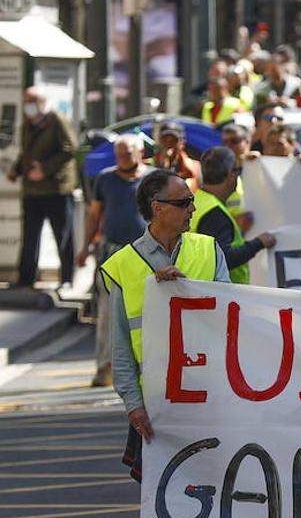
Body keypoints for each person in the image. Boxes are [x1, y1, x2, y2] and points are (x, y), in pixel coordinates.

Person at [100, 168, 231, 518]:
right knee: (158, 497)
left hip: (203, 397)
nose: (192, 209)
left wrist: (182, 293)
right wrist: (133, 404)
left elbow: (229, 320)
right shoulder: (122, 265)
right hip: (154, 403)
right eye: (184, 203)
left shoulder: (207, 249)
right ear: (158, 208)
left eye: (191, 201)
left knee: (202, 493)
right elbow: (119, 344)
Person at [78, 134, 148, 387]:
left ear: (140, 152)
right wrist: (84, 248)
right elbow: (94, 215)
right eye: (119, 153)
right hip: (112, 255)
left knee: (147, 313)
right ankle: (104, 367)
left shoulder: (152, 179)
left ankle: (145, 368)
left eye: (127, 153)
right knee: (108, 314)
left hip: (145, 257)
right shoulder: (106, 179)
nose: (123, 158)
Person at [8, 87, 77, 288]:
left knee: (62, 237)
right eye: (25, 101)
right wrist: (17, 170)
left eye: (31, 101)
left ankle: (66, 279)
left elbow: (69, 149)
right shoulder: (27, 125)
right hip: (32, 191)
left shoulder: (56, 120)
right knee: (30, 237)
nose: (27, 106)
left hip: (56, 189)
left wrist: (45, 170)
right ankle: (25, 279)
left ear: (41, 102)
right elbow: (26, 153)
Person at [190, 147, 276, 283]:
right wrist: (259, 243)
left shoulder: (198, 201)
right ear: (231, 175)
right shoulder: (214, 213)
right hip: (223, 293)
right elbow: (224, 258)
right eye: (238, 170)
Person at [151, 121, 201, 191]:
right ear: (159, 142)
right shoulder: (148, 165)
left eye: (174, 140)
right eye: (164, 139)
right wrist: (161, 165)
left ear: (182, 143)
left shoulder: (195, 168)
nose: (168, 143)